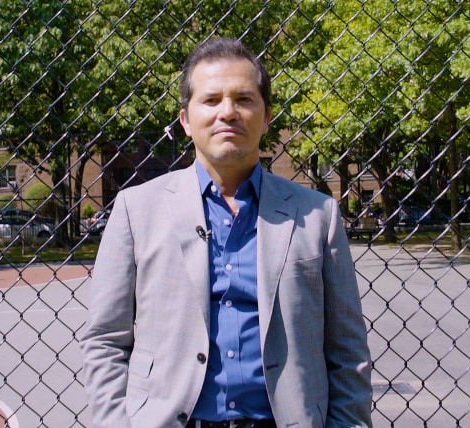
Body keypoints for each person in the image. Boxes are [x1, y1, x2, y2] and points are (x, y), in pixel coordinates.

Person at [80, 38, 372, 428]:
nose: (228, 112)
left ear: (267, 117)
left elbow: (347, 350)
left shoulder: (317, 214)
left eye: (244, 99)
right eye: (211, 99)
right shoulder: (137, 209)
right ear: (185, 120)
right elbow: (105, 340)